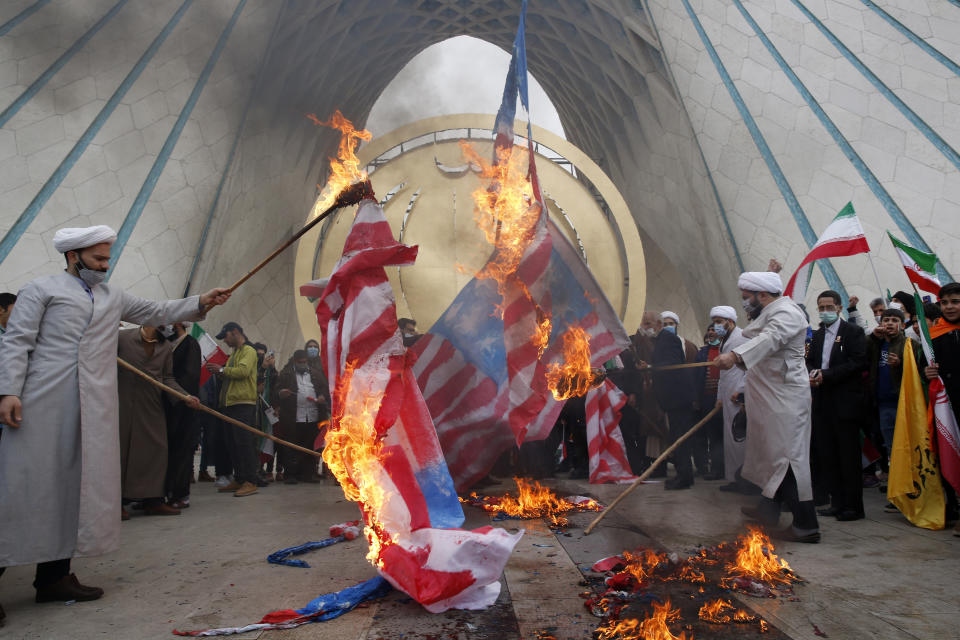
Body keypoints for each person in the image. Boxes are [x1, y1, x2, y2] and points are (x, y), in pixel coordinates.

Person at [0, 225, 229, 613]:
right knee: (26, 488)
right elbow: (17, 339)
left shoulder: (112, 297)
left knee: (76, 489)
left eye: (108, 258)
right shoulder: (41, 290)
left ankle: (54, 577)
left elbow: (157, 310)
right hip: (42, 403)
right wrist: (9, 391)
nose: (105, 266)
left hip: (93, 408)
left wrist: (199, 302)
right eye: (99, 258)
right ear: (74, 257)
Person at [715, 271, 820, 543]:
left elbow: (770, 339)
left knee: (787, 458)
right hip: (770, 396)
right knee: (768, 453)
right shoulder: (773, 310)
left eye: (747, 298)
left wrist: (736, 355)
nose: (745, 303)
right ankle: (768, 510)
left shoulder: (787, 312)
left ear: (762, 295)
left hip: (785, 398)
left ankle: (806, 525)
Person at [117, 326, 199, 519]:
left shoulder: (165, 348)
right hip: (122, 403)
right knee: (121, 453)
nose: (169, 327)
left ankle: (152, 500)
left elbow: (167, 378)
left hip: (151, 405)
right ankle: (116, 502)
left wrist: (185, 396)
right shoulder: (122, 338)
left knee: (156, 451)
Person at [806, 290, 867, 521]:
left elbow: (858, 362)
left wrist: (827, 375)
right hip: (822, 402)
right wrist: (813, 373)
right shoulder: (818, 335)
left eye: (829, 307)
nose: (825, 311)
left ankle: (853, 506)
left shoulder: (853, 332)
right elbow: (810, 360)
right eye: (821, 307)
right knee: (827, 455)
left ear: (839, 308)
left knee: (847, 456)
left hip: (845, 402)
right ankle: (837, 502)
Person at [923, 282, 960, 535]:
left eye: (955, 302)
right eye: (945, 302)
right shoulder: (934, 335)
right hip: (948, 407)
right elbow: (925, 369)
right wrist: (927, 372)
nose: (949, 307)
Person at [206, 322, 260, 497]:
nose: (226, 341)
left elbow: (243, 372)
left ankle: (251, 480)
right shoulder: (235, 353)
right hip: (231, 405)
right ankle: (240, 478)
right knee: (233, 443)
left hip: (243, 404)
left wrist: (221, 369)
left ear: (235, 332)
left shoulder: (249, 351)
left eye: (226, 337)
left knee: (244, 444)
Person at [652, 311, 696, 489]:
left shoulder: (668, 339)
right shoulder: (661, 340)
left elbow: (671, 365)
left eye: (648, 324)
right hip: (673, 399)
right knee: (676, 436)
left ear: (657, 324)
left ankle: (684, 477)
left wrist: (652, 368)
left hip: (677, 398)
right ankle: (683, 474)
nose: (645, 328)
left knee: (680, 438)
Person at [709, 305, 751, 492]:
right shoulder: (723, 342)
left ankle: (745, 479)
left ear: (730, 322)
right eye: (715, 322)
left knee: (740, 438)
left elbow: (749, 367)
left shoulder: (742, 337)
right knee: (730, 440)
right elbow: (723, 374)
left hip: (738, 396)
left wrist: (741, 390)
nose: (716, 326)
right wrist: (720, 397)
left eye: (719, 322)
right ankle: (734, 479)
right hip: (727, 395)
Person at [274, 350, 329, 483]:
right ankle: (291, 475)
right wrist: (282, 393)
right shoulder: (286, 374)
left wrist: (322, 397)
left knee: (310, 446)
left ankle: (308, 474)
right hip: (293, 417)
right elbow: (276, 391)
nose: (303, 364)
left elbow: (325, 390)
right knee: (291, 446)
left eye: (305, 362)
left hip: (312, 416)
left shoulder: (316, 374)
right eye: (300, 362)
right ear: (295, 361)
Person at [163, 322, 202, 508]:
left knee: (181, 451)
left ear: (178, 323)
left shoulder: (190, 344)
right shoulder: (168, 344)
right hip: (168, 407)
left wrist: (176, 397)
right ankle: (163, 492)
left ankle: (180, 495)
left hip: (183, 408)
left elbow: (190, 377)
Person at [693, 325, 725, 480]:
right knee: (708, 435)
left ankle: (721, 468)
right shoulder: (702, 353)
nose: (711, 332)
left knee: (720, 436)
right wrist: (696, 399)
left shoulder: (727, 351)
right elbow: (696, 378)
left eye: (714, 330)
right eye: (709, 330)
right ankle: (708, 467)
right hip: (706, 400)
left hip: (722, 400)